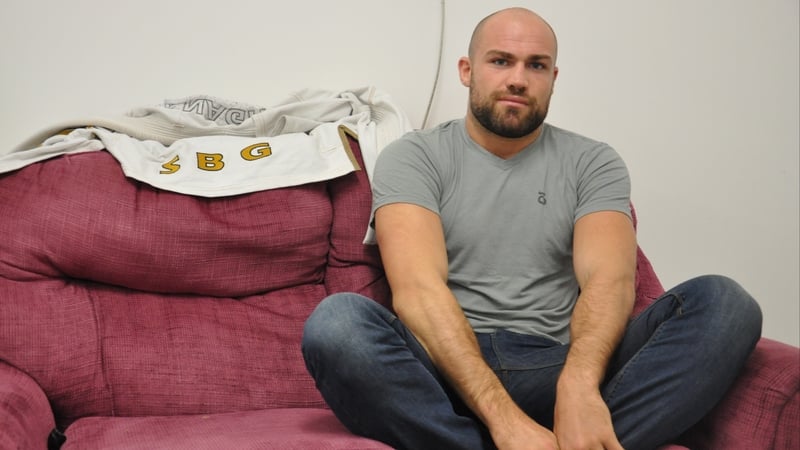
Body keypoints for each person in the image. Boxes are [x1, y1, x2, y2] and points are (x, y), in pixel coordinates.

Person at [302, 7, 762, 450]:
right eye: (500, 61)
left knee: (725, 303)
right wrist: (505, 422)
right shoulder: (414, 156)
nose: (518, 79)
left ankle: (568, 434)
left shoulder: (592, 162)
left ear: (553, 79)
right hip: (444, 374)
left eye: (536, 65)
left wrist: (579, 389)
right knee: (337, 324)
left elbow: (610, 281)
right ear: (467, 71)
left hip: (556, 362)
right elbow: (418, 291)